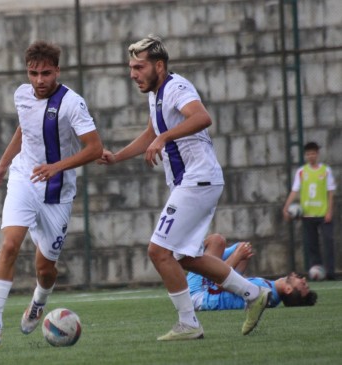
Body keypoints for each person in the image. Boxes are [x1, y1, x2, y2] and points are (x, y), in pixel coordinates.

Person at [97, 35, 270, 340]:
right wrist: (118, 157)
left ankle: (189, 323)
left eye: (139, 67)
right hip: (194, 181)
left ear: (159, 66)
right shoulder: (156, 94)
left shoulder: (176, 87)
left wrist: (164, 139)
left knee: (158, 250)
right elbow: (152, 132)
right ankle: (252, 294)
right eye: (131, 67)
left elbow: (202, 117)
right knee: (184, 257)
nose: (133, 74)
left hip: (198, 179)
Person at [0, 40, 103, 347]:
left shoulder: (72, 103)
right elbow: (25, 129)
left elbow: (95, 148)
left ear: (57, 71)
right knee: (9, 245)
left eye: (46, 73)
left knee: (45, 268)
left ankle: (39, 300)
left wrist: (57, 167)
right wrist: (2, 165)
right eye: (33, 73)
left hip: (57, 192)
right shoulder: (22, 94)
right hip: (23, 179)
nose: (39, 80)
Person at [189, 234, 317, 311]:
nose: (304, 280)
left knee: (216, 241)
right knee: (243, 247)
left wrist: (237, 256)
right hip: (208, 291)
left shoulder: (265, 291)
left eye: (303, 285)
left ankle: (184, 254)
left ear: (289, 289)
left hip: (199, 294)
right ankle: (192, 256)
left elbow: (220, 283)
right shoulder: (272, 294)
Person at [282, 141, 336, 280]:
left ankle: (330, 272)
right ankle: (316, 272)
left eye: (313, 153)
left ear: (317, 154)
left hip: (323, 213)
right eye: (308, 154)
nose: (311, 156)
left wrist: (330, 211)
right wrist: (286, 207)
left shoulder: (325, 170)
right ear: (305, 155)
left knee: (328, 242)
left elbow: (330, 192)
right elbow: (295, 190)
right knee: (311, 244)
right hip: (307, 214)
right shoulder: (301, 171)